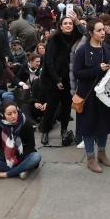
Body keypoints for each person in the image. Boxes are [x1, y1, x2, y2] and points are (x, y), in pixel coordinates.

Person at [72, 18, 110, 173]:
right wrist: (98, 68)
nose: (102, 33)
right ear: (91, 33)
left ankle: (102, 153)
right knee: (89, 127)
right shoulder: (82, 51)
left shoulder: (107, 48)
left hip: (106, 94)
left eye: (103, 30)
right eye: (99, 30)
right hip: (88, 95)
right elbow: (78, 73)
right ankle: (90, 158)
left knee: (104, 125)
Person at [38, 15, 81, 147]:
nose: (68, 25)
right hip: (53, 79)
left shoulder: (75, 36)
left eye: (70, 23)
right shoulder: (54, 39)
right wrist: (56, 79)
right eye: (65, 23)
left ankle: (64, 130)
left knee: (67, 107)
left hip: (68, 78)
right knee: (51, 107)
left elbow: (86, 32)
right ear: (61, 26)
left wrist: (77, 21)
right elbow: (49, 61)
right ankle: (45, 131)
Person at [0, 100, 42, 179]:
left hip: (24, 155)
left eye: (15, 112)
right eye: (9, 114)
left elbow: (31, 145)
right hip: (8, 157)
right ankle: (21, 169)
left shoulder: (25, 123)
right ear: (3, 115)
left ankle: (5, 174)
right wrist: (6, 157)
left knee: (36, 157)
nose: (13, 116)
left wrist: (18, 159)